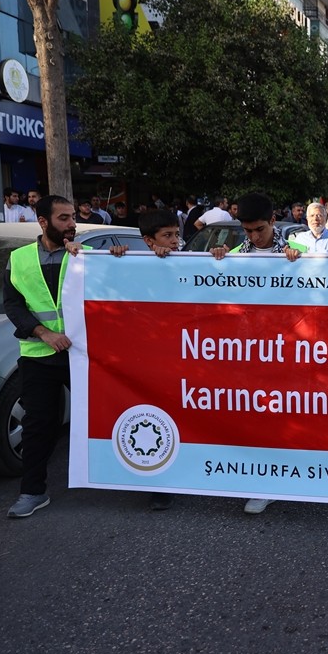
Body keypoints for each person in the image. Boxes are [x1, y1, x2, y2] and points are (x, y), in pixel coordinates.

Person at [209, 193, 306, 514]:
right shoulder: (233, 257)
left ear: (274, 222)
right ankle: (264, 481)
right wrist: (218, 261)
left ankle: (298, 472)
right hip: (251, 354)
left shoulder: (301, 254)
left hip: (295, 353)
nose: (252, 237)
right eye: (247, 231)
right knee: (258, 417)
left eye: (259, 230)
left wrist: (303, 264)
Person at [2, 196, 85, 518]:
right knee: (38, 425)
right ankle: (33, 492)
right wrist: (43, 333)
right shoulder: (19, 258)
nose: (71, 224)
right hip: (38, 354)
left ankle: (139, 482)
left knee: (107, 416)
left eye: (73, 217)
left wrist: (114, 256)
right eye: (64, 218)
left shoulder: (87, 256)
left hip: (81, 354)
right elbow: (13, 304)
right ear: (42, 221)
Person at [108, 208, 182, 510]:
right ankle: (158, 484)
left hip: (184, 356)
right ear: (148, 241)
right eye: (167, 236)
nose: (175, 241)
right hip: (151, 358)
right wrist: (116, 257)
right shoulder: (131, 265)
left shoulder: (191, 262)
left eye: (177, 234)